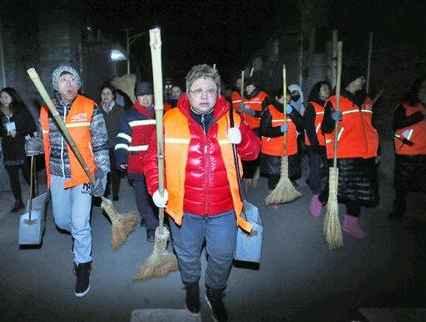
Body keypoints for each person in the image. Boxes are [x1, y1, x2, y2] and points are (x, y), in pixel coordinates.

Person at [144, 64, 260, 322]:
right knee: (187, 255)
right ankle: (192, 287)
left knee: (221, 256)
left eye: (211, 90)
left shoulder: (233, 118)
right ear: (188, 93)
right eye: (198, 90)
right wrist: (155, 188)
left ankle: (214, 292)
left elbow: (253, 153)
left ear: (219, 92)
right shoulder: (169, 120)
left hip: (224, 208)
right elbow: (153, 159)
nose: (205, 95)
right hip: (184, 208)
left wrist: (243, 139)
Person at [39, 65, 109, 297]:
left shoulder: (90, 107)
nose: (69, 84)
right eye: (63, 80)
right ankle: (79, 239)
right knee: (61, 221)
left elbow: (99, 143)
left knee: (80, 224)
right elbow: (46, 142)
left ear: (78, 84)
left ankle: (83, 265)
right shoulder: (46, 110)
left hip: (83, 175)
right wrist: (34, 147)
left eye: (73, 80)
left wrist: (102, 173)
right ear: (56, 86)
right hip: (58, 175)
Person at [314, 67, 379, 238]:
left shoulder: (366, 100)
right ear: (351, 80)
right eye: (361, 77)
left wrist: (376, 148)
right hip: (344, 152)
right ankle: (321, 199)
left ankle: (350, 223)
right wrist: (331, 118)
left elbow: (371, 126)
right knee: (338, 187)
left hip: (365, 153)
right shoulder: (335, 102)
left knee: (357, 191)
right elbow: (325, 128)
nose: (363, 81)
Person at [115, 82, 158, 242]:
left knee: (155, 195)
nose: (145, 99)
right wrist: (121, 156)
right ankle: (152, 227)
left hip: (156, 164)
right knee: (141, 196)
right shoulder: (129, 115)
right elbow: (123, 138)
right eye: (141, 96)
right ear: (137, 97)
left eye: (148, 95)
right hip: (137, 163)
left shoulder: (160, 112)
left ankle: (150, 217)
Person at [390, 77, 426, 220]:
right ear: (416, 89)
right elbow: (397, 124)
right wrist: (421, 115)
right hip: (408, 153)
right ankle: (398, 213)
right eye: (424, 87)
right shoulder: (405, 105)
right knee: (402, 187)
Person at [0, 87, 37, 213]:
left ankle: (35, 199)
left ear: (12, 97)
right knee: (13, 177)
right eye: (1, 97)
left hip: (22, 147)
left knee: (27, 175)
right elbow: (0, 129)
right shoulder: (1, 111)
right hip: (9, 149)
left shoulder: (21, 110)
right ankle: (18, 201)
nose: (3, 100)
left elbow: (32, 126)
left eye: (6, 97)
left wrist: (18, 132)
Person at [259, 88, 303, 192]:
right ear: (277, 98)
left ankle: (285, 189)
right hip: (274, 150)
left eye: (288, 95)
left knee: (288, 172)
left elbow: (301, 125)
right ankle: (273, 194)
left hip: (290, 148)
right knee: (274, 175)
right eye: (284, 95)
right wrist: (279, 130)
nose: (287, 97)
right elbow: (264, 130)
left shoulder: (291, 109)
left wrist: (292, 113)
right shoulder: (270, 110)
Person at [304, 81, 331, 216]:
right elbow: (308, 127)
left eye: (328, 88)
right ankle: (316, 194)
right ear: (317, 91)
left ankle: (312, 179)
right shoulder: (312, 106)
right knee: (315, 167)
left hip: (328, 143)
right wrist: (315, 144)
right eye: (323, 88)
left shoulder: (330, 105)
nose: (326, 90)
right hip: (314, 144)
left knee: (328, 168)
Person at [99, 82, 124, 201]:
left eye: (108, 93)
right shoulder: (97, 110)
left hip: (116, 145)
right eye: (103, 94)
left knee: (115, 171)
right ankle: (105, 190)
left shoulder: (120, 110)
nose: (106, 96)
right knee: (104, 171)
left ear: (113, 96)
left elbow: (124, 127)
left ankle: (115, 193)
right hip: (102, 146)